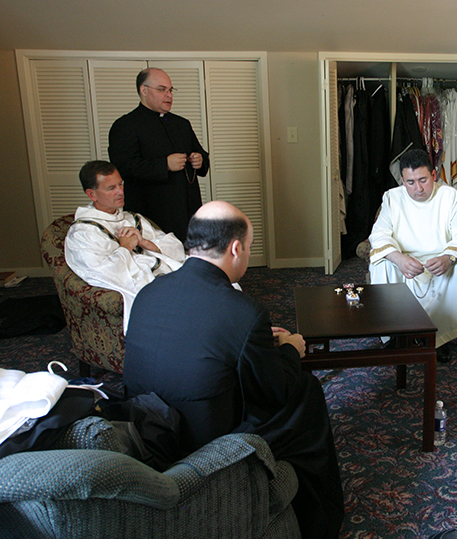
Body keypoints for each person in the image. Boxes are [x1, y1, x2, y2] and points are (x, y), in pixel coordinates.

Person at [123, 201, 343, 539]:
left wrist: (249, 344)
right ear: (236, 248)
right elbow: (274, 391)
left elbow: (196, 339)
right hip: (203, 443)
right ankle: (320, 516)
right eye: (251, 248)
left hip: (147, 425)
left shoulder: (149, 293)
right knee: (304, 390)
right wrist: (289, 350)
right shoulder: (244, 311)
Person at [368, 148, 457, 361]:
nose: (418, 188)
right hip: (405, 260)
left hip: (440, 259)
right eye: (410, 182)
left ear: (434, 175)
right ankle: (396, 334)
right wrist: (398, 259)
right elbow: (379, 235)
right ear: (402, 180)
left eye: (423, 180)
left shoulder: (451, 197)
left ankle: (443, 337)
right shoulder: (392, 198)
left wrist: (449, 258)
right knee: (380, 264)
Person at [64, 160, 185, 332]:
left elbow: (177, 249)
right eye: (111, 188)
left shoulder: (131, 219)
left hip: (166, 276)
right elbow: (103, 274)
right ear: (92, 194)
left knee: (222, 289)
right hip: (146, 286)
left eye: (121, 184)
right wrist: (126, 248)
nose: (120, 192)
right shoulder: (84, 233)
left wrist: (145, 243)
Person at [108, 67, 210, 242]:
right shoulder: (125, 125)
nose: (169, 95)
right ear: (144, 90)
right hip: (152, 211)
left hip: (187, 208)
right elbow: (123, 167)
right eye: (162, 90)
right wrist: (164, 165)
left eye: (170, 90)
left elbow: (201, 156)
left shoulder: (182, 124)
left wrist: (200, 159)